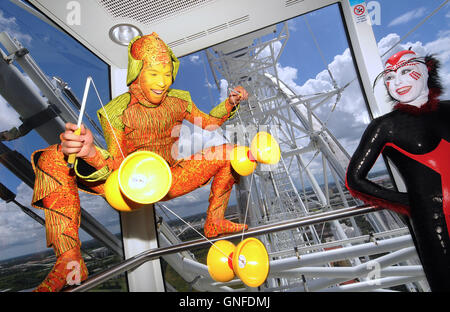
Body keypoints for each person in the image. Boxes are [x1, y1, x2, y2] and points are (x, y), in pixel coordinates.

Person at [30, 32, 250, 292]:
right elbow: (115, 166)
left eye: (167, 74)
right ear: (136, 72)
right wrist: (89, 153)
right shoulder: (115, 111)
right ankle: (69, 260)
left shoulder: (181, 100)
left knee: (231, 151)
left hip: (169, 178)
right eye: (154, 74)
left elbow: (210, 124)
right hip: (127, 186)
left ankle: (214, 221)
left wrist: (230, 103)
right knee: (51, 156)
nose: (163, 82)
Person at [345, 49, 450, 291]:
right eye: (390, 77)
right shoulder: (385, 127)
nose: (397, 81)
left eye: (405, 70)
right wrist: (409, 202)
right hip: (434, 223)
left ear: (427, 69)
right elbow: (354, 179)